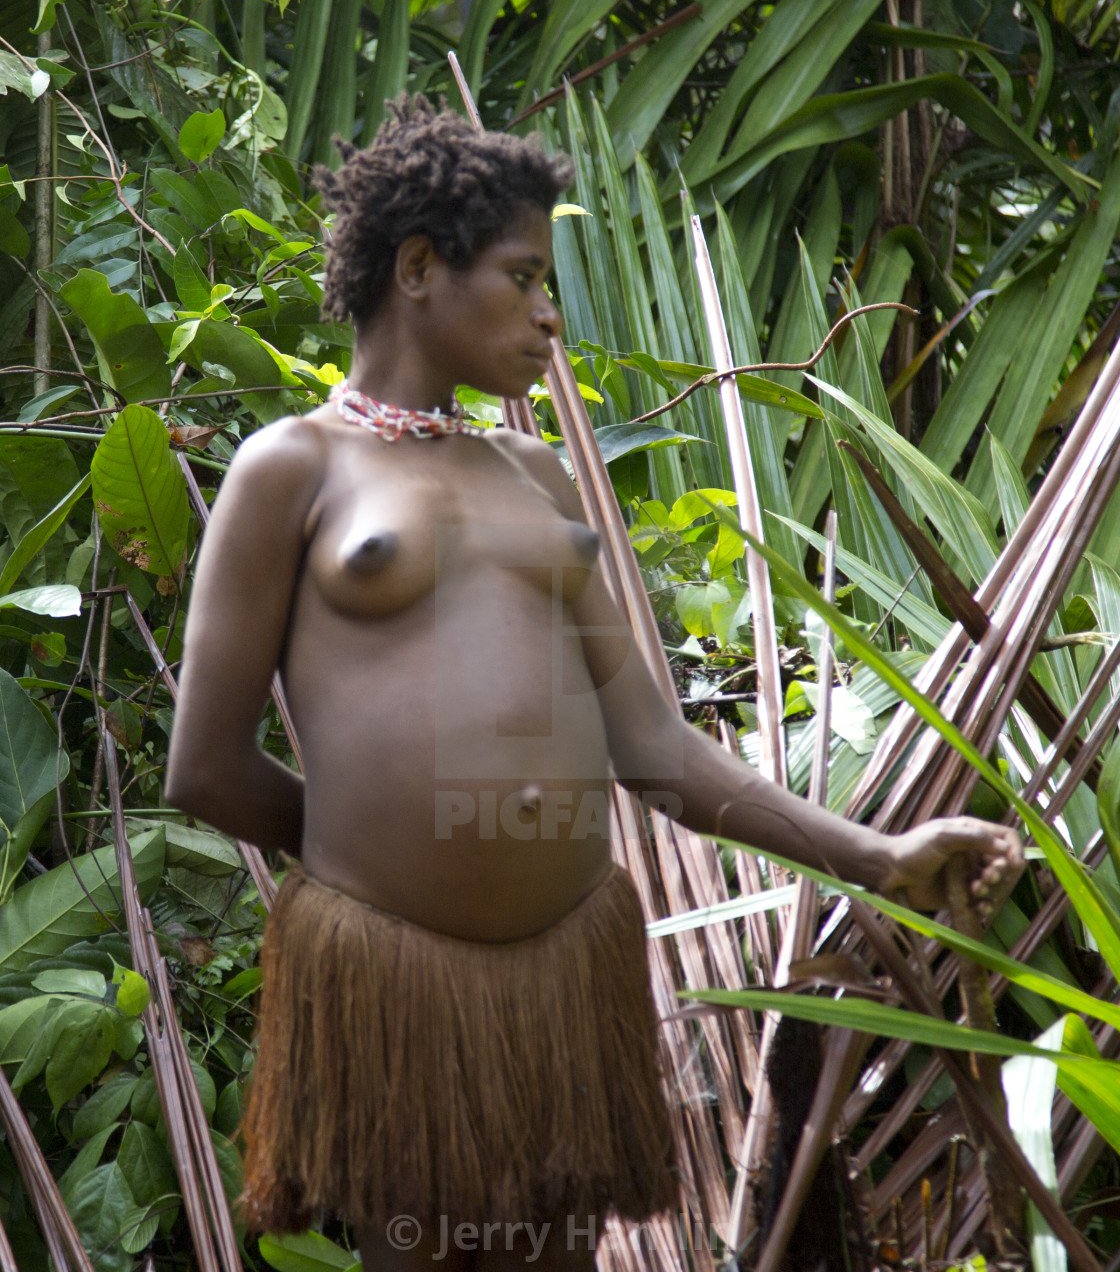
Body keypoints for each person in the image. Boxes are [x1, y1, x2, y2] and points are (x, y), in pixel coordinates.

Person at [165, 96, 1023, 1272]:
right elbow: (203, 766)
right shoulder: (293, 468)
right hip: (395, 981)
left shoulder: (538, 474)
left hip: (568, 974)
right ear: (419, 267)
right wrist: (381, 863)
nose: (550, 313)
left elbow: (655, 747)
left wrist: (877, 855)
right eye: (521, 277)